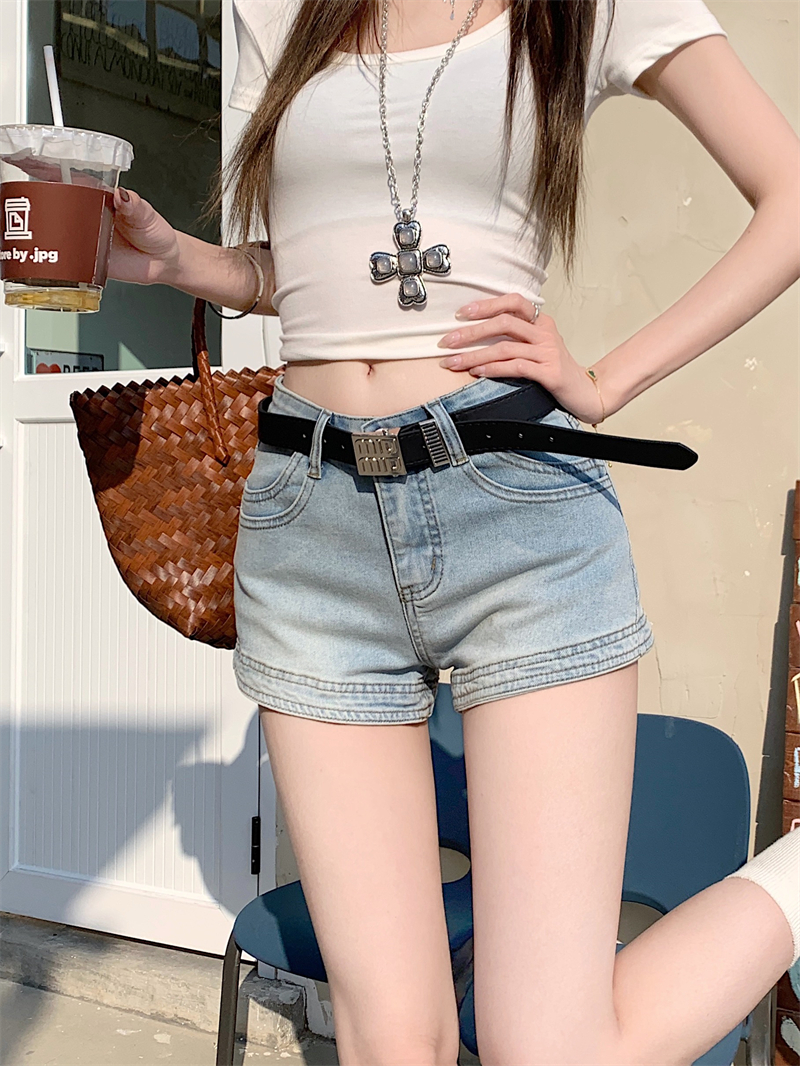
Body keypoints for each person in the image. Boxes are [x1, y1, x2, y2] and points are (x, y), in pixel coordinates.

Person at [107, 1, 800, 1062]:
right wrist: (175, 264)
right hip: (309, 518)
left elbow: (788, 197)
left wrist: (606, 378)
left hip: (512, 504)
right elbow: (300, 271)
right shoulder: (276, 10)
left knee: (550, 1047)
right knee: (391, 1042)